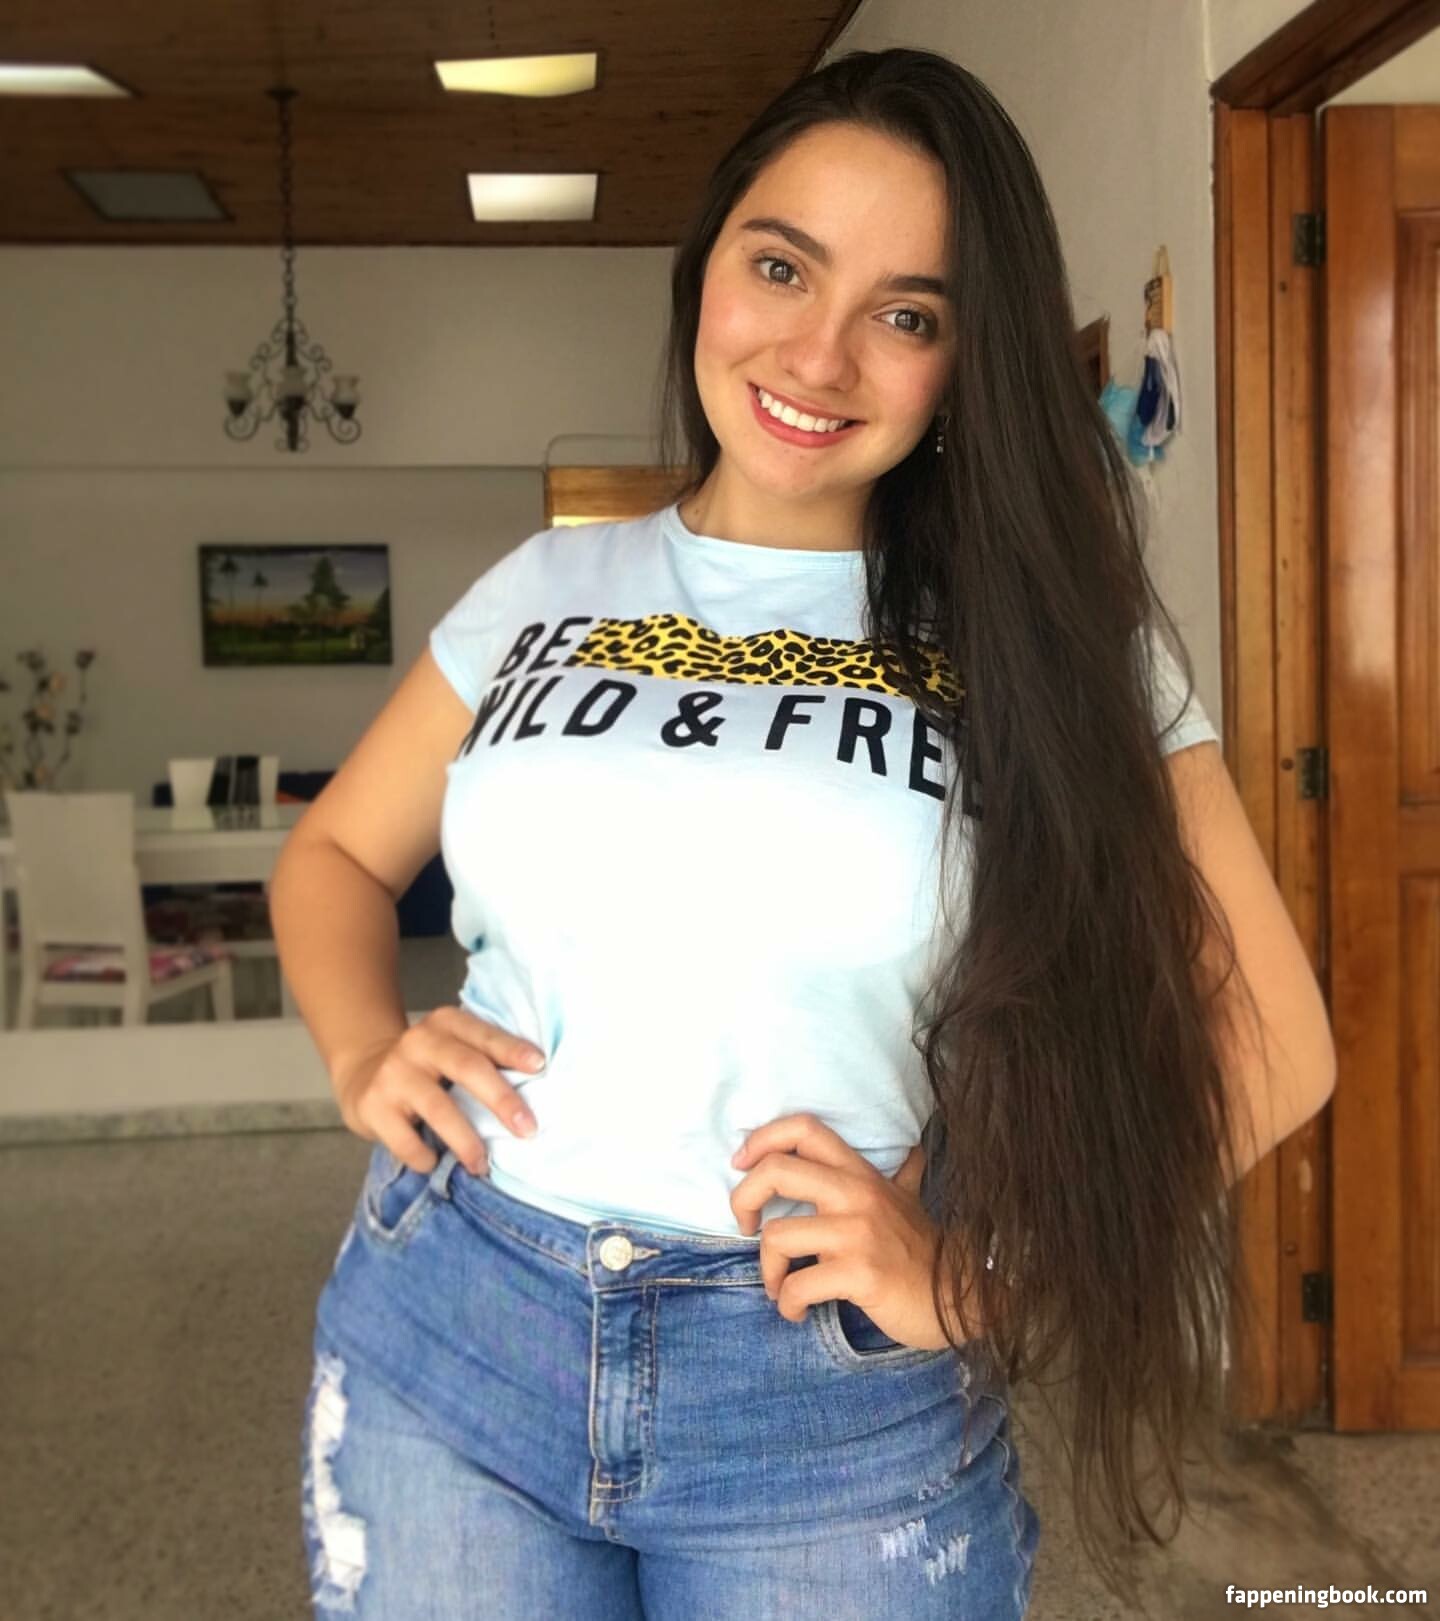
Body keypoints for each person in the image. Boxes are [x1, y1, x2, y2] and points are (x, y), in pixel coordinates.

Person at [277, 45, 1336, 1620]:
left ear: (965, 362)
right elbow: (336, 858)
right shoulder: (546, 588)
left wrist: (988, 1274)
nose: (820, 354)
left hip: (818, 1389)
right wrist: (366, 1047)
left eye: (906, 315)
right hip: (455, 1325)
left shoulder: (1053, 640)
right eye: (781, 267)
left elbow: (1277, 1040)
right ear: (708, 267)